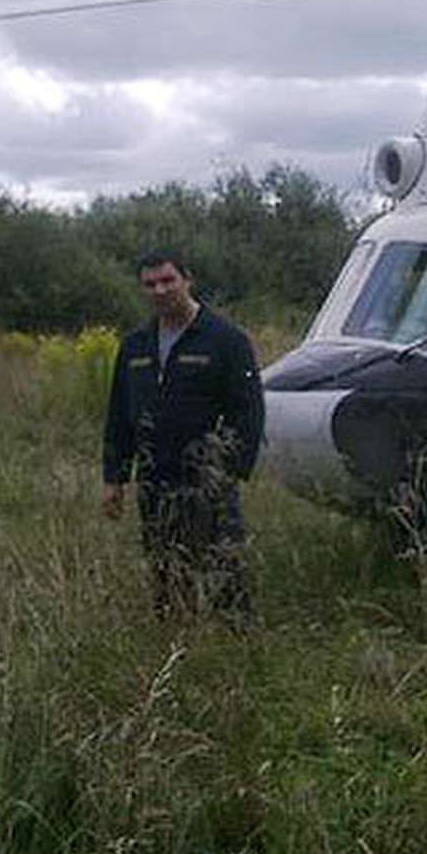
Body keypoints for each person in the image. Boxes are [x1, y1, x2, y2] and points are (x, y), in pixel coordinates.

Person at [102, 246, 264, 621]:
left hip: (207, 478)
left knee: (225, 572)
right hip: (154, 479)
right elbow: (119, 415)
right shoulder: (135, 346)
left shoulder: (225, 339)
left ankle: (237, 644)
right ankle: (175, 641)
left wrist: (229, 470)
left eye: (167, 280)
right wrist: (114, 477)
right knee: (166, 571)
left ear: (187, 279)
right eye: (149, 284)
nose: (159, 290)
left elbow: (248, 410)